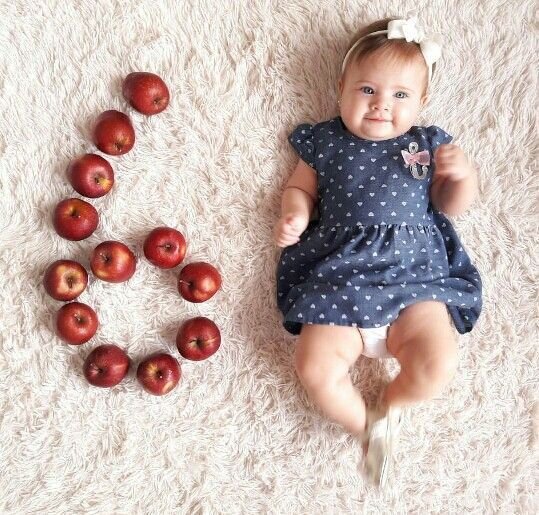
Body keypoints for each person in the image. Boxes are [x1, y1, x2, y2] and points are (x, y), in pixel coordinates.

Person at [273, 13, 483, 487]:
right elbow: (300, 189)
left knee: (439, 362)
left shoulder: (426, 145)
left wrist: (461, 177)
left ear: (422, 102)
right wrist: (296, 214)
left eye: (400, 95)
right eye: (367, 90)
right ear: (342, 86)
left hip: (414, 281)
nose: (381, 105)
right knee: (313, 365)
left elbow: (450, 207)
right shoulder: (324, 142)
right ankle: (366, 426)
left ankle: (393, 402)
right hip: (339, 279)